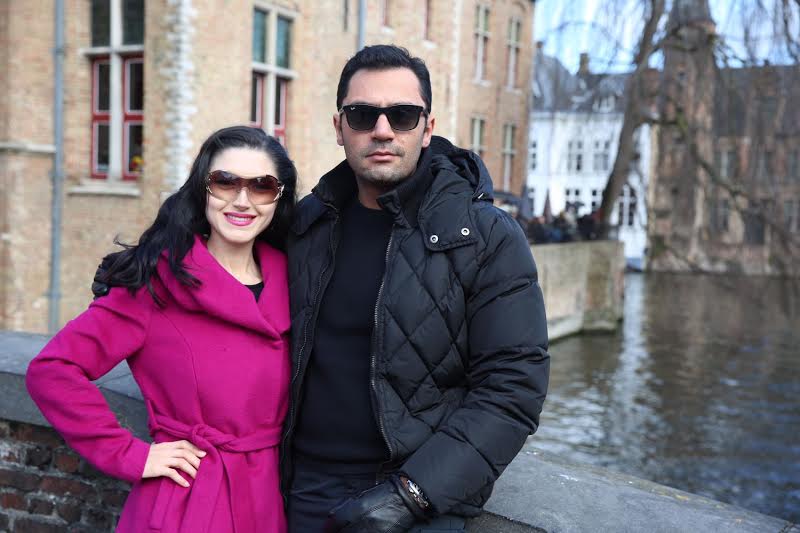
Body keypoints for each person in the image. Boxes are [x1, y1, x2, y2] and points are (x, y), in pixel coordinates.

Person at [283, 45, 550, 532]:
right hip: (304, 488)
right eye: (362, 115)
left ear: (427, 129)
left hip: (415, 501)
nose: (382, 130)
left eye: (402, 115)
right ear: (339, 127)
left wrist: (411, 496)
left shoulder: (484, 235)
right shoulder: (309, 224)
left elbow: (513, 388)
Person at [28, 126, 296, 533]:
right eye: (225, 182)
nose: (242, 200)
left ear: (279, 196)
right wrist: (130, 454)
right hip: (189, 502)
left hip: (272, 499)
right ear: (203, 188)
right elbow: (52, 370)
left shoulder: (297, 280)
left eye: (261, 186)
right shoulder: (156, 283)